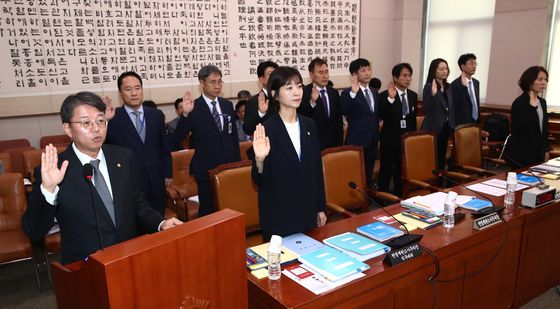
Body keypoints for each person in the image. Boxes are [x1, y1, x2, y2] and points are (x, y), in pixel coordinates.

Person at [21, 92, 182, 265]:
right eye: (85, 123)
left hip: (130, 257)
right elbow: (34, 229)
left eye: (100, 120)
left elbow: (138, 204)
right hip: (85, 267)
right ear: (68, 128)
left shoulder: (124, 157)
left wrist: (161, 223)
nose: (96, 128)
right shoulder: (55, 170)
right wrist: (49, 190)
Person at [252, 66, 327, 241]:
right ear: (275, 94)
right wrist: (260, 160)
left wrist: (320, 207)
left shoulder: (309, 125)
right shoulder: (266, 129)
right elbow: (259, 181)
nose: (297, 92)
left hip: (307, 210)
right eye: (289, 88)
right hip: (279, 214)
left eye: (299, 86)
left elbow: (316, 170)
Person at [175, 65, 240, 216]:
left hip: (228, 167)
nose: (217, 86)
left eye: (219, 82)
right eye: (213, 82)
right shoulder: (193, 106)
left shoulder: (227, 105)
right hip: (205, 167)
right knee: (208, 209)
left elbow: (233, 137)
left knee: (230, 206)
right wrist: (185, 114)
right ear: (202, 83)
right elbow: (178, 137)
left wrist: (236, 164)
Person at [103, 71, 172, 216]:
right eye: (128, 89)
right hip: (128, 185)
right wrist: (104, 122)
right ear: (120, 93)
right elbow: (102, 149)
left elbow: (164, 148)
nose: (134, 93)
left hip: (156, 182)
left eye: (137, 88)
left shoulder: (156, 115)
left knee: (160, 226)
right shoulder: (112, 118)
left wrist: (168, 175)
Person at [378, 63, 418, 196]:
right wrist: (391, 98)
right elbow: (382, 115)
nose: (408, 79)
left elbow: (412, 120)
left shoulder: (413, 95)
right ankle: (382, 197)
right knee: (386, 170)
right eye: (404, 75)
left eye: (409, 76)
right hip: (389, 139)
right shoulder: (385, 95)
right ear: (395, 78)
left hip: (405, 140)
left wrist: (411, 139)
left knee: (401, 171)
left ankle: (399, 196)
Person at [341, 58, 379, 187]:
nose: (367, 73)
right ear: (354, 75)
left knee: (368, 174)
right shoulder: (348, 92)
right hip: (357, 140)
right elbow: (344, 110)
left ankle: (367, 201)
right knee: (355, 174)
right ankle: (355, 204)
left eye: (368, 69)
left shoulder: (374, 92)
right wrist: (353, 93)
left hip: (373, 140)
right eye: (363, 70)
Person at [505, 66, 549, 167]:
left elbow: (544, 129)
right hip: (522, 154)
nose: (544, 83)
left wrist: (545, 150)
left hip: (539, 153)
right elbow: (520, 127)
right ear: (529, 81)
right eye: (540, 79)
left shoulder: (542, 102)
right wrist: (531, 108)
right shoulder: (519, 102)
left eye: (546, 80)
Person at [297, 57, 343, 150]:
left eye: (326, 72)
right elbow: (301, 115)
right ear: (311, 74)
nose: (325, 76)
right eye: (321, 73)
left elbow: (338, 120)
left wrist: (339, 143)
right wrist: (312, 102)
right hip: (313, 142)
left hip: (333, 143)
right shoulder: (304, 92)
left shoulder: (333, 92)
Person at [421, 58, 454, 170]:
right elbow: (425, 108)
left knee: (441, 156)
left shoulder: (448, 87)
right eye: (441, 69)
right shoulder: (429, 86)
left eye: (446, 68)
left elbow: (450, 108)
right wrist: (433, 95)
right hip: (433, 127)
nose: (444, 71)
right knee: (431, 158)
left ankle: (440, 182)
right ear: (434, 71)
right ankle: (432, 182)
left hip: (445, 126)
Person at [243, 61, 279, 136]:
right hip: (266, 145)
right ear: (262, 79)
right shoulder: (253, 101)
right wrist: (261, 113)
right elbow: (248, 129)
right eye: (270, 74)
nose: (274, 77)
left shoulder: (285, 97)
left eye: (276, 74)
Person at [450, 53, 480, 126]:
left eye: (475, 64)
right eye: (471, 64)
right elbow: (454, 104)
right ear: (462, 66)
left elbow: (475, 103)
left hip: (475, 123)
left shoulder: (476, 82)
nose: (474, 66)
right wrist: (463, 87)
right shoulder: (455, 84)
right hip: (461, 124)